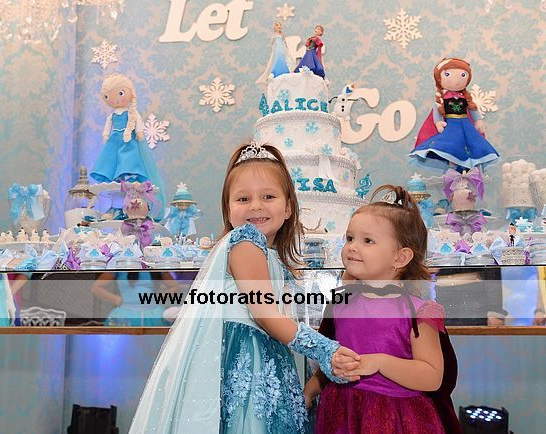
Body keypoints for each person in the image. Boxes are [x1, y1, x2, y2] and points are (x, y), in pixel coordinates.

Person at [129, 143, 361, 433]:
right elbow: (264, 313)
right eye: (243, 198)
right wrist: (324, 349)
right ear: (228, 210)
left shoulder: (270, 256)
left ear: (288, 207)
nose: (255, 206)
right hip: (247, 361)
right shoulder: (246, 242)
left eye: (268, 196)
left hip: (268, 356)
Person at [305, 185, 460, 433]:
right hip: (342, 413)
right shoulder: (342, 304)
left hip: (395, 417)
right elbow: (334, 357)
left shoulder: (418, 312)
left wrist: (380, 362)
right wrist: (312, 388)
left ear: (400, 258)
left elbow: (432, 377)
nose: (352, 247)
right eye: (350, 238)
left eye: (367, 241)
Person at [90, 73, 166, 220]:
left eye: (120, 93)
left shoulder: (132, 113)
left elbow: (138, 122)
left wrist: (139, 132)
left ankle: (128, 174)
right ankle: (117, 178)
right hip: (114, 142)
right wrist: (105, 135)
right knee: (112, 161)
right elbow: (108, 126)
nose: (115, 99)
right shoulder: (112, 115)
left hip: (128, 141)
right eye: (107, 96)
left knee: (128, 159)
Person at [409, 57, 499, 172]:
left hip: (466, 125)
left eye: (463, 75)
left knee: (472, 143)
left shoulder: (465, 97)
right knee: (452, 143)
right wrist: (438, 122)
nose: (456, 80)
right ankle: (453, 164)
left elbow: (473, 109)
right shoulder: (442, 98)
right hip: (451, 125)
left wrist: (478, 120)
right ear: (439, 78)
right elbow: (437, 110)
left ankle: (466, 167)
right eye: (447, 74)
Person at [256, 21, 294, 86]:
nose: (279, 26)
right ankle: (276, 72)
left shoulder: (282, 35)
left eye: (280, 25)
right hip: (277, 49)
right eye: (277, 25)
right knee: (277, 59)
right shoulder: (274, 35)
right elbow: (272, 43)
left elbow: (285, 43)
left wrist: (287, 50)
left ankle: (285, 71)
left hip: (282, 49)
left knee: (283, 60)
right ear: (275, 27)